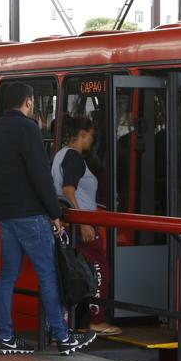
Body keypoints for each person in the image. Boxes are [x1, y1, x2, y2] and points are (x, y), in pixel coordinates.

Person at [0, 82, 97, 356]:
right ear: (28, 102)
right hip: (30, 214)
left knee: (7, 275)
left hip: (4, 215)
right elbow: (40, 175)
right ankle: (62, 336)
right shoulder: (28, 129)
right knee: (48, 274)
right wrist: (55, 214)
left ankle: (6, 337)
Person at [52, 116, 116, 334]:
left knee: (76, 271)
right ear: (82, 135)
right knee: (100, 268)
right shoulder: (76, 158)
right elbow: (69, 191)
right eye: (90, 136)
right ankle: (96, 319)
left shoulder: (59, 155)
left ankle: (75, 321)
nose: (92, 140)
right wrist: (83, 223)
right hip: (81, 224)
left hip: (68, 224)